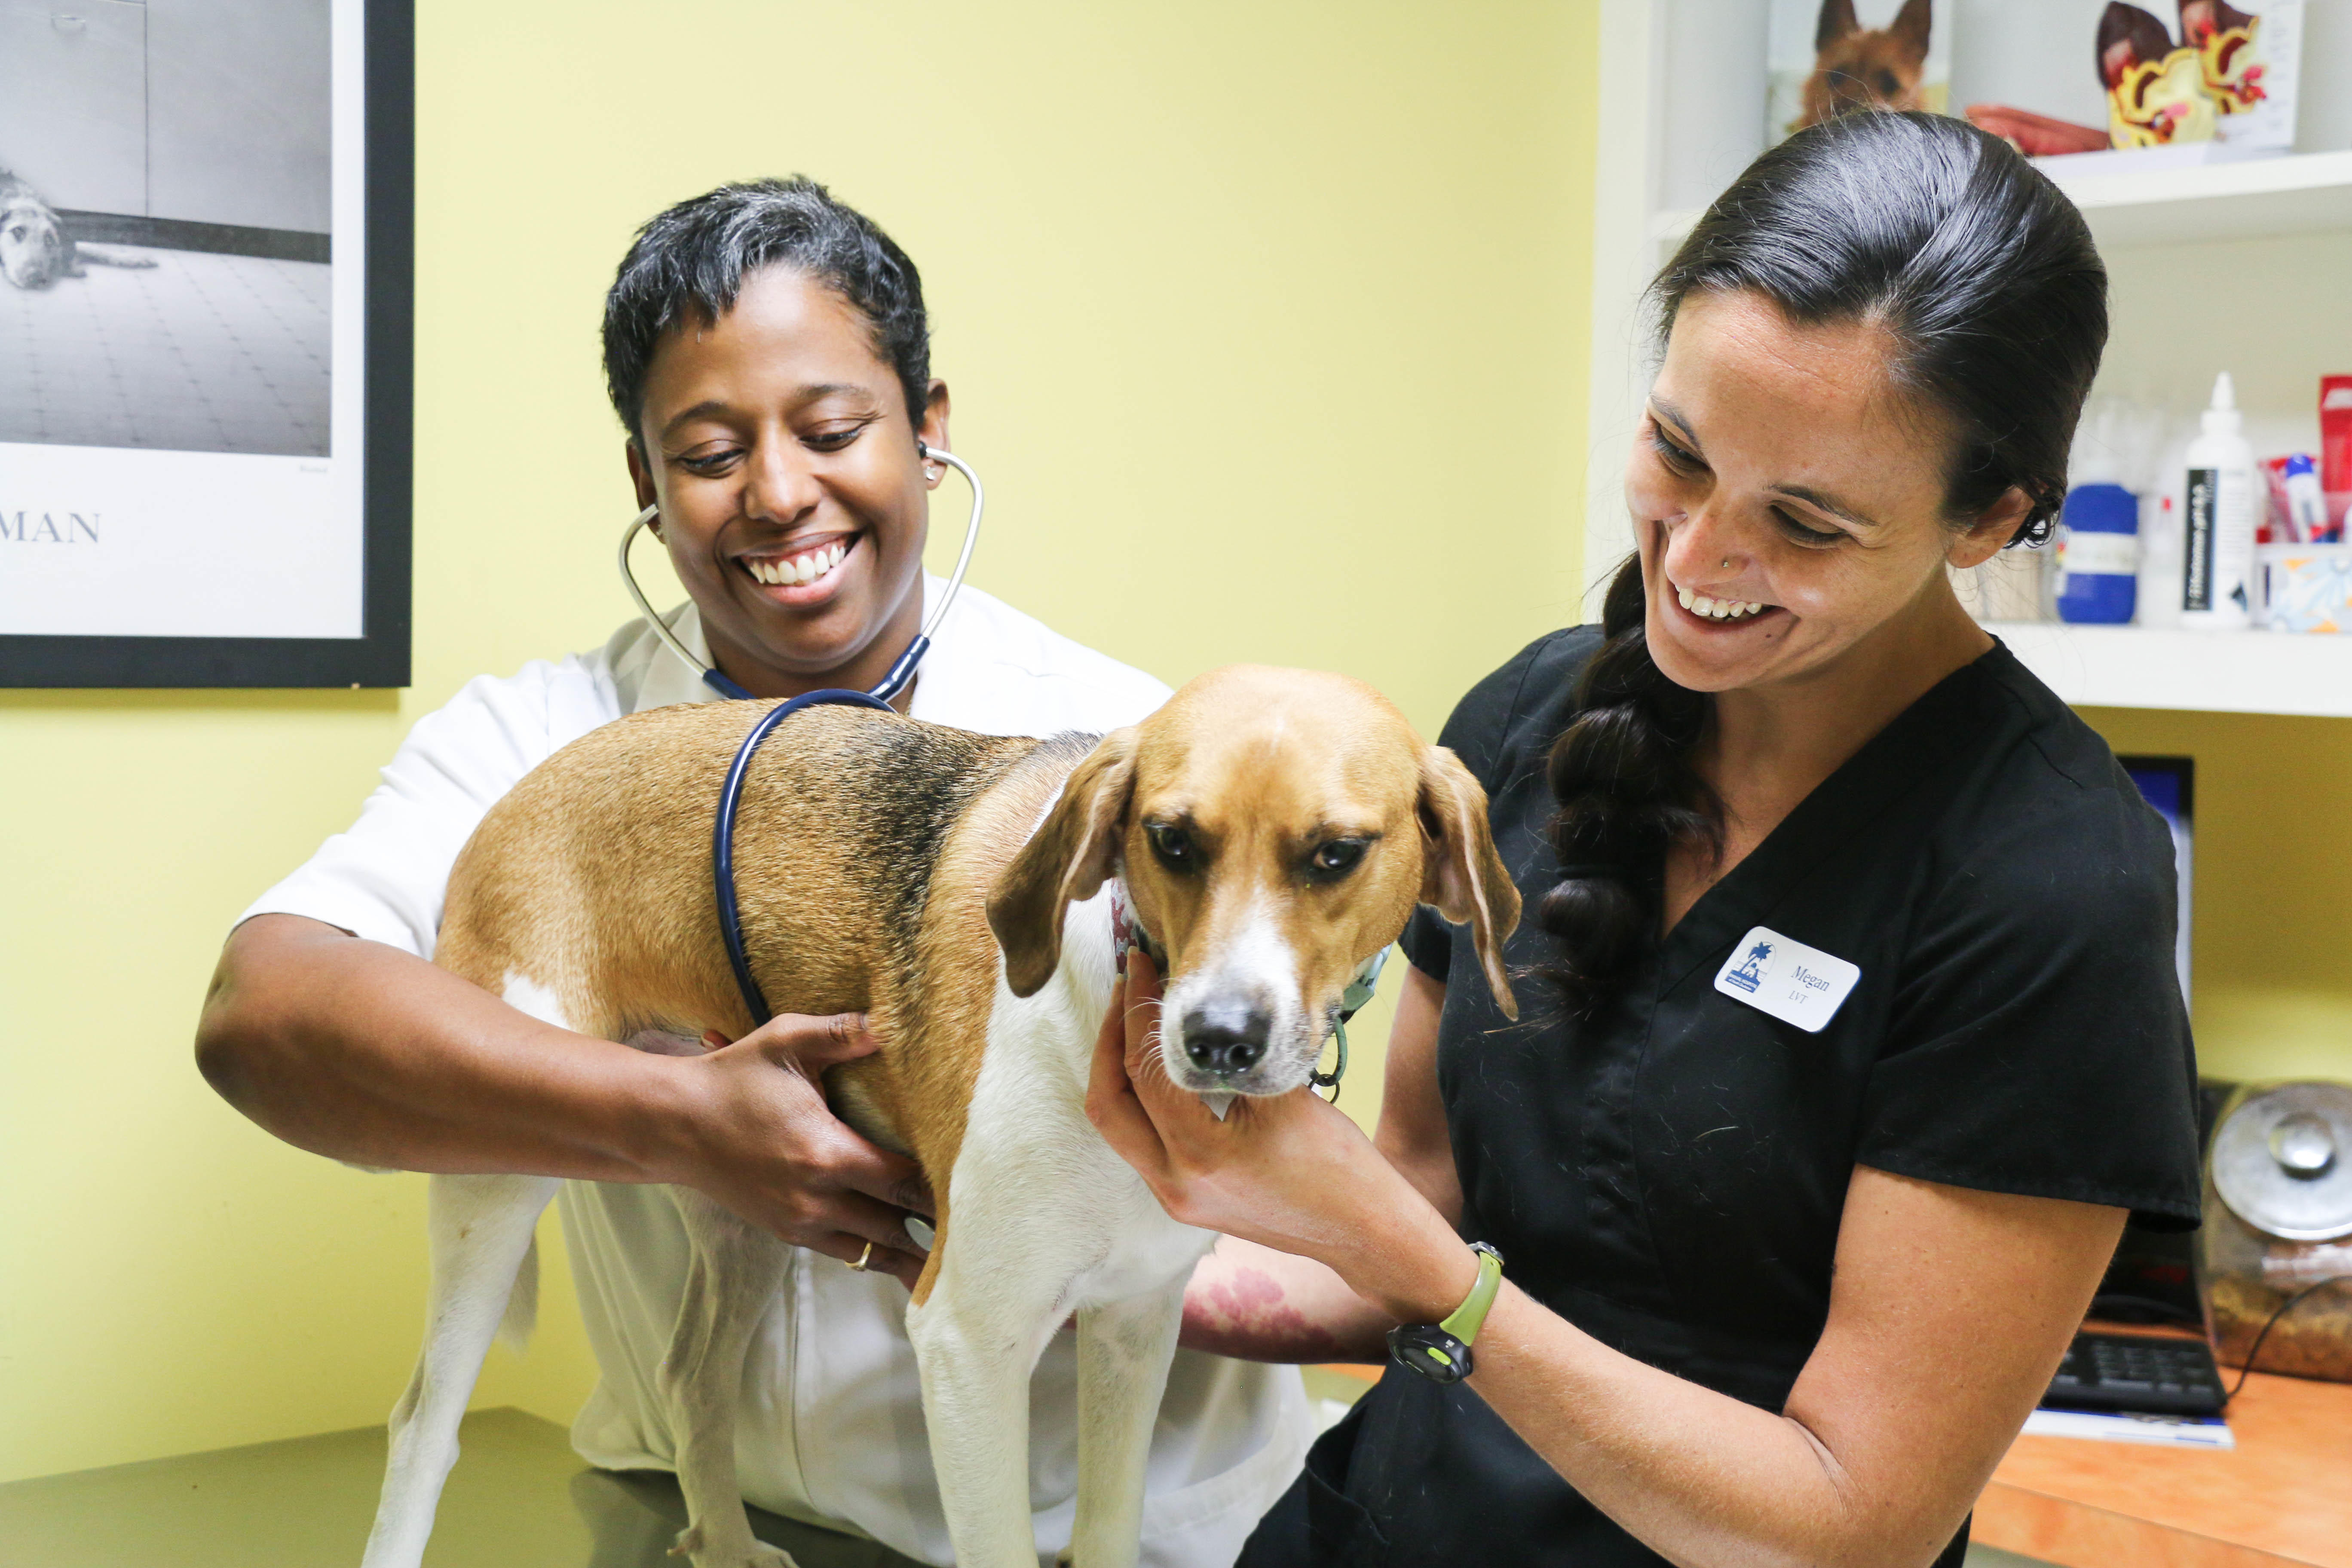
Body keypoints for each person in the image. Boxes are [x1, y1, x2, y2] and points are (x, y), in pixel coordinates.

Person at [1090, 112, 2203, 1567]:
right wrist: (1057, 1246)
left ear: (1988, 518)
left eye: (1805, 524)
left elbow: (1848, 1527)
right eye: (1678, 451)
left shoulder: (2051, 890)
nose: (1694, 559)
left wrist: (1423, 1271)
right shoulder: (1529, 721)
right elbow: (1418, 1196)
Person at [195, 178, 1312, 1568]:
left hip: (1158, 1536)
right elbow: (262, 1014)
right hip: (692, 1514)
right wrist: (668, 1118)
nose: (781, 495)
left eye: (835, 430)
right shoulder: (547, 748)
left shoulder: (1148, 771)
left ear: (930, 427)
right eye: (711, 450)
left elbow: (1277, 1160)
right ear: (645, 482)